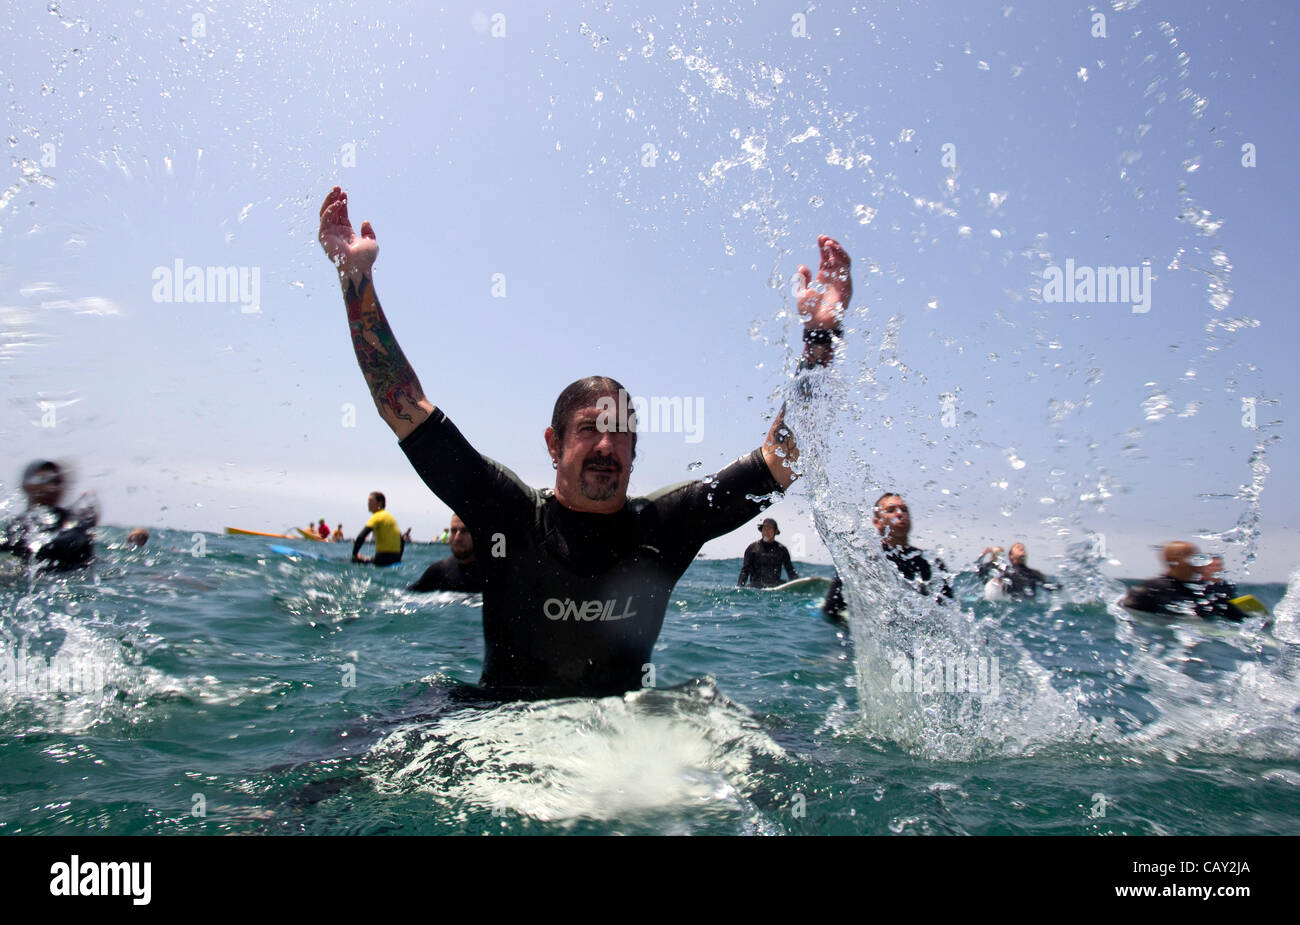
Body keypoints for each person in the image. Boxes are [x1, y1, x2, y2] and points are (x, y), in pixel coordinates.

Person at [318, 185, 848, 699]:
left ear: (635, 452)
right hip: (499, 730)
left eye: (621, 434)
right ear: (554, 444)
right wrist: (354, 278)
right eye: (590, 428)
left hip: (620, 736)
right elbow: (401, 403)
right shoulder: (506, 512)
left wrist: (820, 338)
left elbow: (783, 458)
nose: (605, 446)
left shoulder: (668, 524)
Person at [823, 492, 952, 622]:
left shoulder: (932, 563)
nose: (900, 514)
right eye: (891, 510)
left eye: (904, 510)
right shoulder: (860, 561)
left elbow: (948, 614)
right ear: (877, 522)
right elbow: (831, 611)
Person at [1, 460, 97, 571]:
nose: (50, 487)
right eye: (42, 479)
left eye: (56, 482)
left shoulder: (76, 523)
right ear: (26, 486)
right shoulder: (17, 526)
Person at [1121, 541, 1246, 622]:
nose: (1200, 560)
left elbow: (1236, 617)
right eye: (1193, 557)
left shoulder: (1205, 591)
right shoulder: (1151, 590)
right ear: (1176, 561)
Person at [409, 514, 483, 592]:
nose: (457, 538)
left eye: (465, 531)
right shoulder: (439, 571)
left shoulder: (492, 572)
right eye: (454, 531)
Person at [977, 542, 1057, 600]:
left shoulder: (1035, 574)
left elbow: (1048, 586)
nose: (1021, 547)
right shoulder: (1007, 573)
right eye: (1017, 547)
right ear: (1011, 556)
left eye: (1023, 548)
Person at [737, 517, 798, 587]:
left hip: (775, 586)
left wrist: (797, 583)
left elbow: (790, 569)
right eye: (764, 529)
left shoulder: (782, 549)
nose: (766, 531)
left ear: (775, 531)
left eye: (769, 529)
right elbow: (745, 571)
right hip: (756, 587)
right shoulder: (752, 548)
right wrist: (739, 587)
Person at [351, 491, 403, 566]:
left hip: (382, 560)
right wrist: (398, 559)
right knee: (369, 559)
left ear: (380, 503)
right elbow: (401, 540)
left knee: (348, 561)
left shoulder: (377, 517)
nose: (368, 503)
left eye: (370, 501)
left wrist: (354, 555)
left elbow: (361, 536)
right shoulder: (390, 517)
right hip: (395, 560)